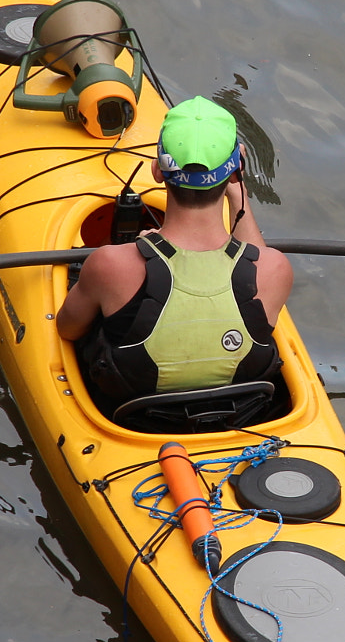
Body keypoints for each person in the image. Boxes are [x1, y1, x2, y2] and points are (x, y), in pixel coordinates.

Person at [58, 96, 294, 416]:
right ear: (237, 167)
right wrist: (238, 196)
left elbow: (67, 330)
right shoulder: (275, 268)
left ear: (157, 171)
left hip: (136, 419)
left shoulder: (110, 264)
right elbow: (254, 257)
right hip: (239, 415)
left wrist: (139, 252)